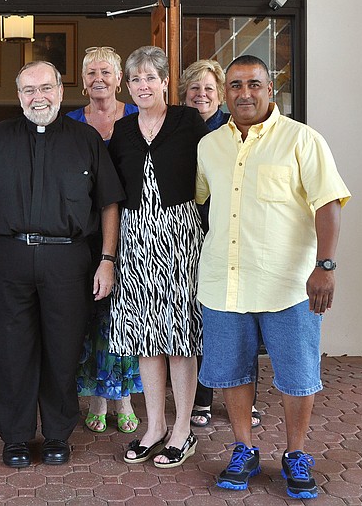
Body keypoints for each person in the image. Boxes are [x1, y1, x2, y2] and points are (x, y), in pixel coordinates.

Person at [196, 55, 350, 499]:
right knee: (232, 372)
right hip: (225, 283)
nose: (245, 93)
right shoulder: (210, 147)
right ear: (225, 93)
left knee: (298, 374)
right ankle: (243, 448)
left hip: (291, 285)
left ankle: (296, 453)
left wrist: (326, 266)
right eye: (236, 85)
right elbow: (198, 198)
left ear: (270, 88)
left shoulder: (302, 140)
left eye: (254, 84)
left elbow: (329, 204)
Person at [0, 61, 124, 468]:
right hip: (10, 260)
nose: (38, 97)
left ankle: (56, 434)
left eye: (46, 88)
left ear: (60, 90)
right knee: (12, 352)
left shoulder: (86, 139)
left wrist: (106, 259)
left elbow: (109, 203)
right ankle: (15, 437)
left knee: (62, 351)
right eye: (29, 90)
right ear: (19, 97)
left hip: (69, 261)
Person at [107, 46, 207, 468]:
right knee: (146, 336)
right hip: (135, 239)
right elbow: (112, 189)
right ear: (126, 86)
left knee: (180, 336)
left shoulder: (189, 121)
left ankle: (183, 429)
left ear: (166, 82)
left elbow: (210, 177)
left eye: (150, 77)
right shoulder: (123, 127)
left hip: (181, 233)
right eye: (135, 79)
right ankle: (154, 427)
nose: (143, 85)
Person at [178, 59, 262, 430]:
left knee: (242, 319)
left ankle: (248, 399)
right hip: (188, 235)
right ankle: (203, 396)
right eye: (194, 89)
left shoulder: (233, 131)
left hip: (232, 237)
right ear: (184, 95)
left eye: (209, 89)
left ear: (221, 95)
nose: (201, 95)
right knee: (202, 320)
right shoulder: (178, 128)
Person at [66, 46, 142, 435]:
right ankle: (97, 396)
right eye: (91, 72)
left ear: (119, 79)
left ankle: (124, 397)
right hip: (83, 231)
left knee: (123, 315)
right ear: (83, 80)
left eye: (106, 72)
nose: (98, 78)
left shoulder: (136, 117)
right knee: (92, 317)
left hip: (133, 227)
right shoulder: (70, 121)